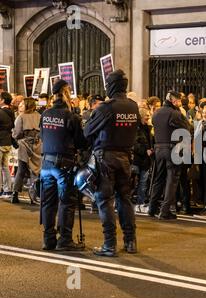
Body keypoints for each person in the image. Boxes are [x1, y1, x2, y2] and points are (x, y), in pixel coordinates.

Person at [84, 69, 139, 257]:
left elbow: (87, 132)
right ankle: (130, 241)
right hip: (126, 158)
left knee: (104, 200)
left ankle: (109, 244)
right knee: (125, 199)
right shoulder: (133, 106)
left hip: (106, 158)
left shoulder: (106, 108)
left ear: (111, 85)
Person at [40, 79, 87, 251]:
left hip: (46, 163)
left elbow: (42, 137)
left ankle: (48, 239)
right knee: (67, 201)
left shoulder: (45, 114)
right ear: (66, 92)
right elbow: (81, 142)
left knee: (48, 202)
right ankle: (65, 239)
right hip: (64, 164)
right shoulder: (71, 116)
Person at [147, 91, 189, 220]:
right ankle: (165, 210)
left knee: (159, 178)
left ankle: (152, 208)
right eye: (179, 100)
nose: (180, 103)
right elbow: (187, 128)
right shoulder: (175, 114)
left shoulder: (156, 113)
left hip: (158, 149)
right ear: (173, 100)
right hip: (172, 149)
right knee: (172, 179)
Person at [11, 98, 42, 204]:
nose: (21, 105)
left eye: (23, 104)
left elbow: (16, 133)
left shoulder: (21, 117)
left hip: (24, 145)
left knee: (21, 170)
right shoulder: (39, 116)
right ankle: (33, 196)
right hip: (37, 146)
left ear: (27, 105)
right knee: (36, 171)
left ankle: (15, 194)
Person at [133, 108, 153, 213]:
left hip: (145, 161)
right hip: (136, 160)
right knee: (133, 183)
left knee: (143, 183)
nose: (148, 117)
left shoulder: (148, 128)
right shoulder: (135, 128)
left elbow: (149, 143)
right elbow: (134, 144)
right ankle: (131, 203)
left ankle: (140, 203)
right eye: (147, 115)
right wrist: (145, 150)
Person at [0, 92, 14, 199]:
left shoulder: (0, 112)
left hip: (0, 142)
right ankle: (8, 190)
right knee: (5, 167)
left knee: (3, 167)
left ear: (3, 100)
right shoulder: (11, 112)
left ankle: (3, 190)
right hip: (8, 142)